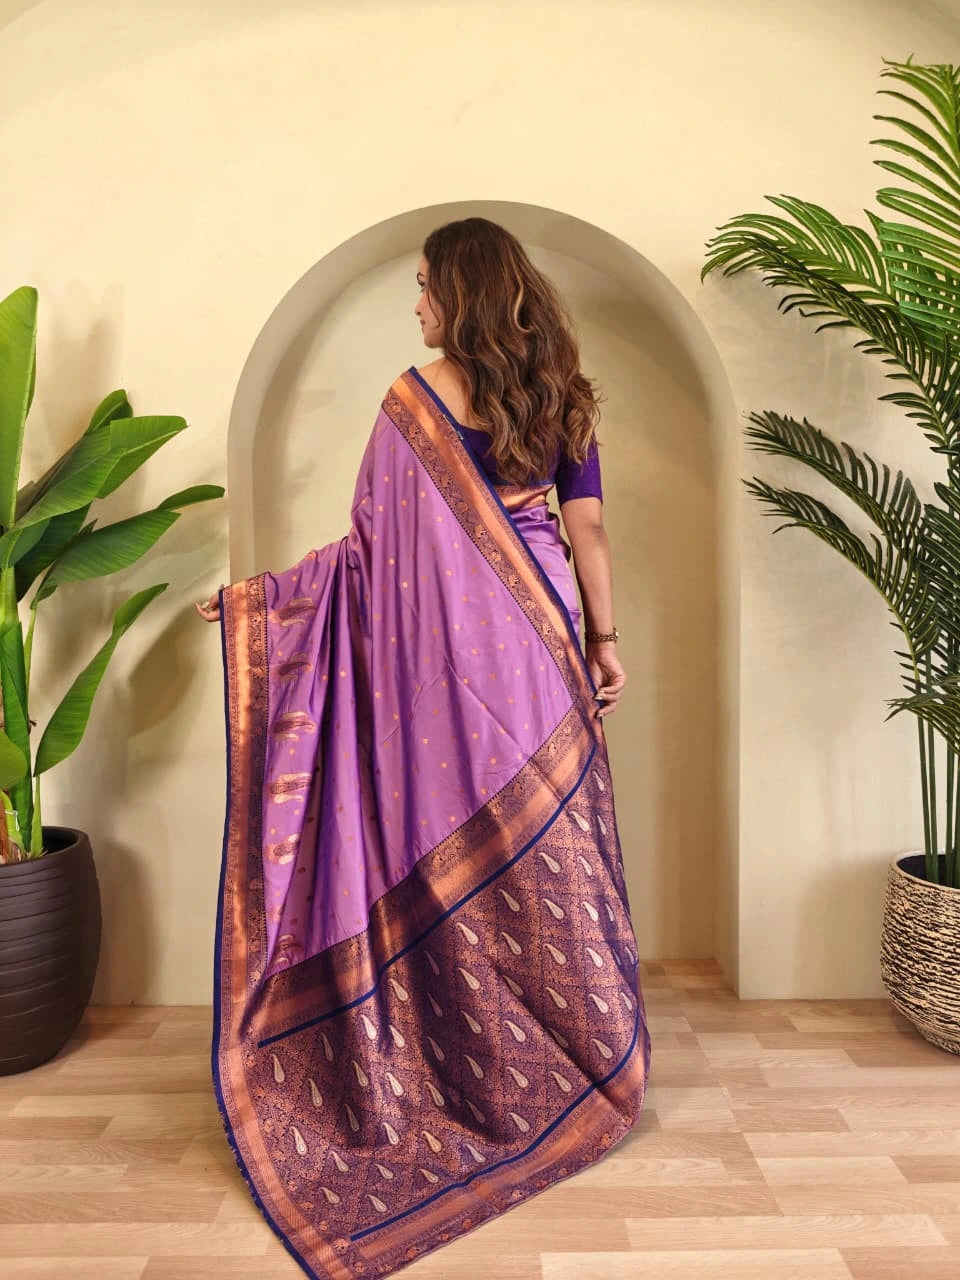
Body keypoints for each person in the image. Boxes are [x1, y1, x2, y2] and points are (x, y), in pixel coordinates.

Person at [197, 218, 650, 1280]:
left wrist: (263, 604)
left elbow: (366, 553)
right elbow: (588, 533)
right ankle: (593, 1063)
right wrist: (604, 641)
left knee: (458, 855)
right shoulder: (565, 391)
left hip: (451, 668)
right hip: (541, 653)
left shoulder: (415, 397)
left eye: (423, 288)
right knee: (556, 865)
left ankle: (475, 1070)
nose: (416, 307)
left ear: (457, 292)